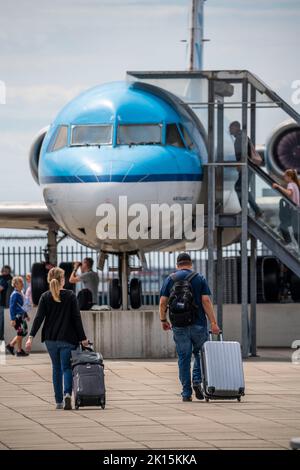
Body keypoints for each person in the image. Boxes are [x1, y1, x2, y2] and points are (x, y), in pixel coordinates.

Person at [159, 253, 221, 402]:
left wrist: (163, 320)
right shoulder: (199, 278)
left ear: (177, 264)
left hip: (179, 325)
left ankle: (186, 393)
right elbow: (206, 301)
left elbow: (162, 302)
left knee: (183, 357)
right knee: (200, 354)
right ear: (190, 264)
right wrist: (213, 322)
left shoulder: (170, 279)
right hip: (198, 324)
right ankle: (197, 381)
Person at [25, 267, 88, 410]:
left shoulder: (45, 296)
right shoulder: (71, 295)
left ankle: (58, 401)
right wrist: (83, 338)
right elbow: (76, 318)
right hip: (67, 338)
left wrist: (30, 337)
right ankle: (67, 394)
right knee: (66, 367)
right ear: (62, 280)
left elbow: (39, 319)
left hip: (50, 340)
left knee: (56, 368)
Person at [229, 121, 263, 218]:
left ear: (236, 127)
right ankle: (253, 210)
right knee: (241, 188)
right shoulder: (242, 137)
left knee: (240, 188)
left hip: (246, 167)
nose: (229, 130)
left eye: (231, 128)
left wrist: (240, 164)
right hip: (247, 166)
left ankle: (251, 210)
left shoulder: (240, 138)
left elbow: (242, 153)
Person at [273, 169, 300, 249]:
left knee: (284, 227)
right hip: (296, 211)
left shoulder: (291, 184)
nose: (284, 177)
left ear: (290, 177)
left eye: (285, 176)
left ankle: (290, 243)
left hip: (293, 211)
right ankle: (293, 245)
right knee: (295, 231)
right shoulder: (296, 184)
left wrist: (278, 186)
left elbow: (289, 193)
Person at [6, 276, 30, 357]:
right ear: (15, 284)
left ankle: (12, 346)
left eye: (22, 282)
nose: (22, 284)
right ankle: (18, 350)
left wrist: (26, 315)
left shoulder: (21, 293)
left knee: (23, 332)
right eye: (20, 282)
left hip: (22, 317)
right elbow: (12, 307)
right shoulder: (15, 294)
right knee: (20, 333)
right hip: (17, 317)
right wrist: (13, 319)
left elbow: (22, 306)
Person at [0, 265, 12, 342]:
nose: (4, 272)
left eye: (5, 270)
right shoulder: (9, 278)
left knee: (1, 321)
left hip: (2, 303)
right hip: (5, 303)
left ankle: (1, 336)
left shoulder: (5, 279)